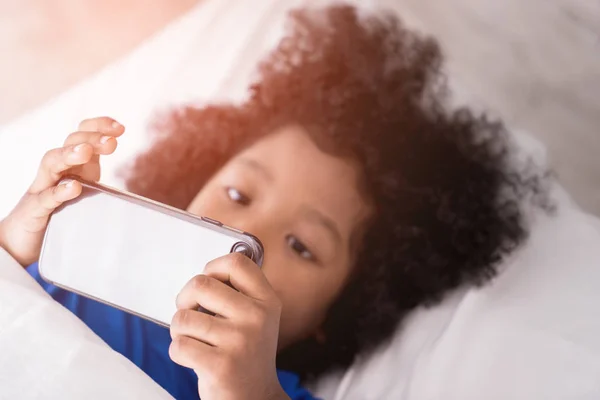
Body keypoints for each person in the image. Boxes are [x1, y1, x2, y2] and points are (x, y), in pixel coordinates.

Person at [0, 5, 546, 400]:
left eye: (300, 246)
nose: (245, 230)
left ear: (333, 318)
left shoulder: (269, 390)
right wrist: (20, 235)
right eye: (238, 193)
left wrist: (247, 389)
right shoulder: (77, 273)